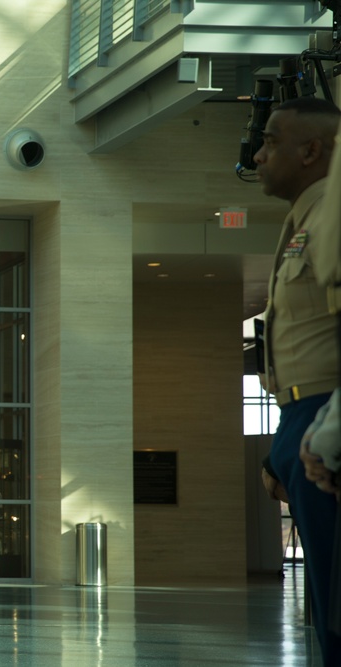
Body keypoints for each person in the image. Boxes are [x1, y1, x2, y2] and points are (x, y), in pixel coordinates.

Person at [254, 95, 341, 664]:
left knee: (337, 601)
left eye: (270, 142)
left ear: (311, 150)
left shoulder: (333, 213)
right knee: (326, 599)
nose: (258, 157)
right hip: (301, 416)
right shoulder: (304, 217)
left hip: (326, 416)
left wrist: (328, 427)